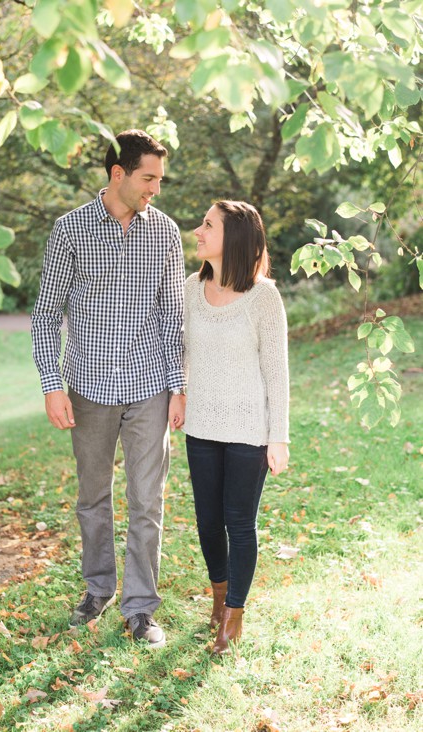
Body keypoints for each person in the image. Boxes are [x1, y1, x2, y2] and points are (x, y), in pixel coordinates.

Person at [31, 129, 186, 648]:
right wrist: (53, 385)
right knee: (92, 498)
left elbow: (172, 316)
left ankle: (141, 607)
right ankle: (98, 590)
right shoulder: (71, 229)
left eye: (160, 180)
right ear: (118, 174)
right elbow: (46, 315)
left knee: (148, 501)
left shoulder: (164, 233)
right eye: (148, 178)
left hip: (149, 388)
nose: (155, 190)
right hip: (89, 388)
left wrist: (178, 386)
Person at [179, 200, 289, 655]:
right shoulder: (190, 288)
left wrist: (278, 435)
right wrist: (178, 395)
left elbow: (276, 371)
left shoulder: (264, 297)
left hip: (249, 429)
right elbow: (180, 351)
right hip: (201, 424)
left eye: (208, 225)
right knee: (207, 521)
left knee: (238, 522)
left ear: (235, 238)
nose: (198, 231)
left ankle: (235, 617)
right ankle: (218, 599)